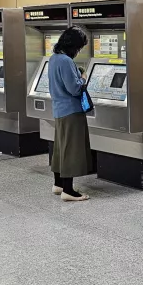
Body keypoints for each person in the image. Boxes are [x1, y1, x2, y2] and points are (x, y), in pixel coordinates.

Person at [47, 25, 92, 201]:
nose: (79, 51)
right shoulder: (65, 61)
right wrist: (83, 78)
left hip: (59, 110)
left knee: (60, 148)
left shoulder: (54, 58)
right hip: (71, 111)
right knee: (71, 150)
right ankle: (68, 190)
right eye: (79, 47)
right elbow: (74, 89)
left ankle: (58, 184)